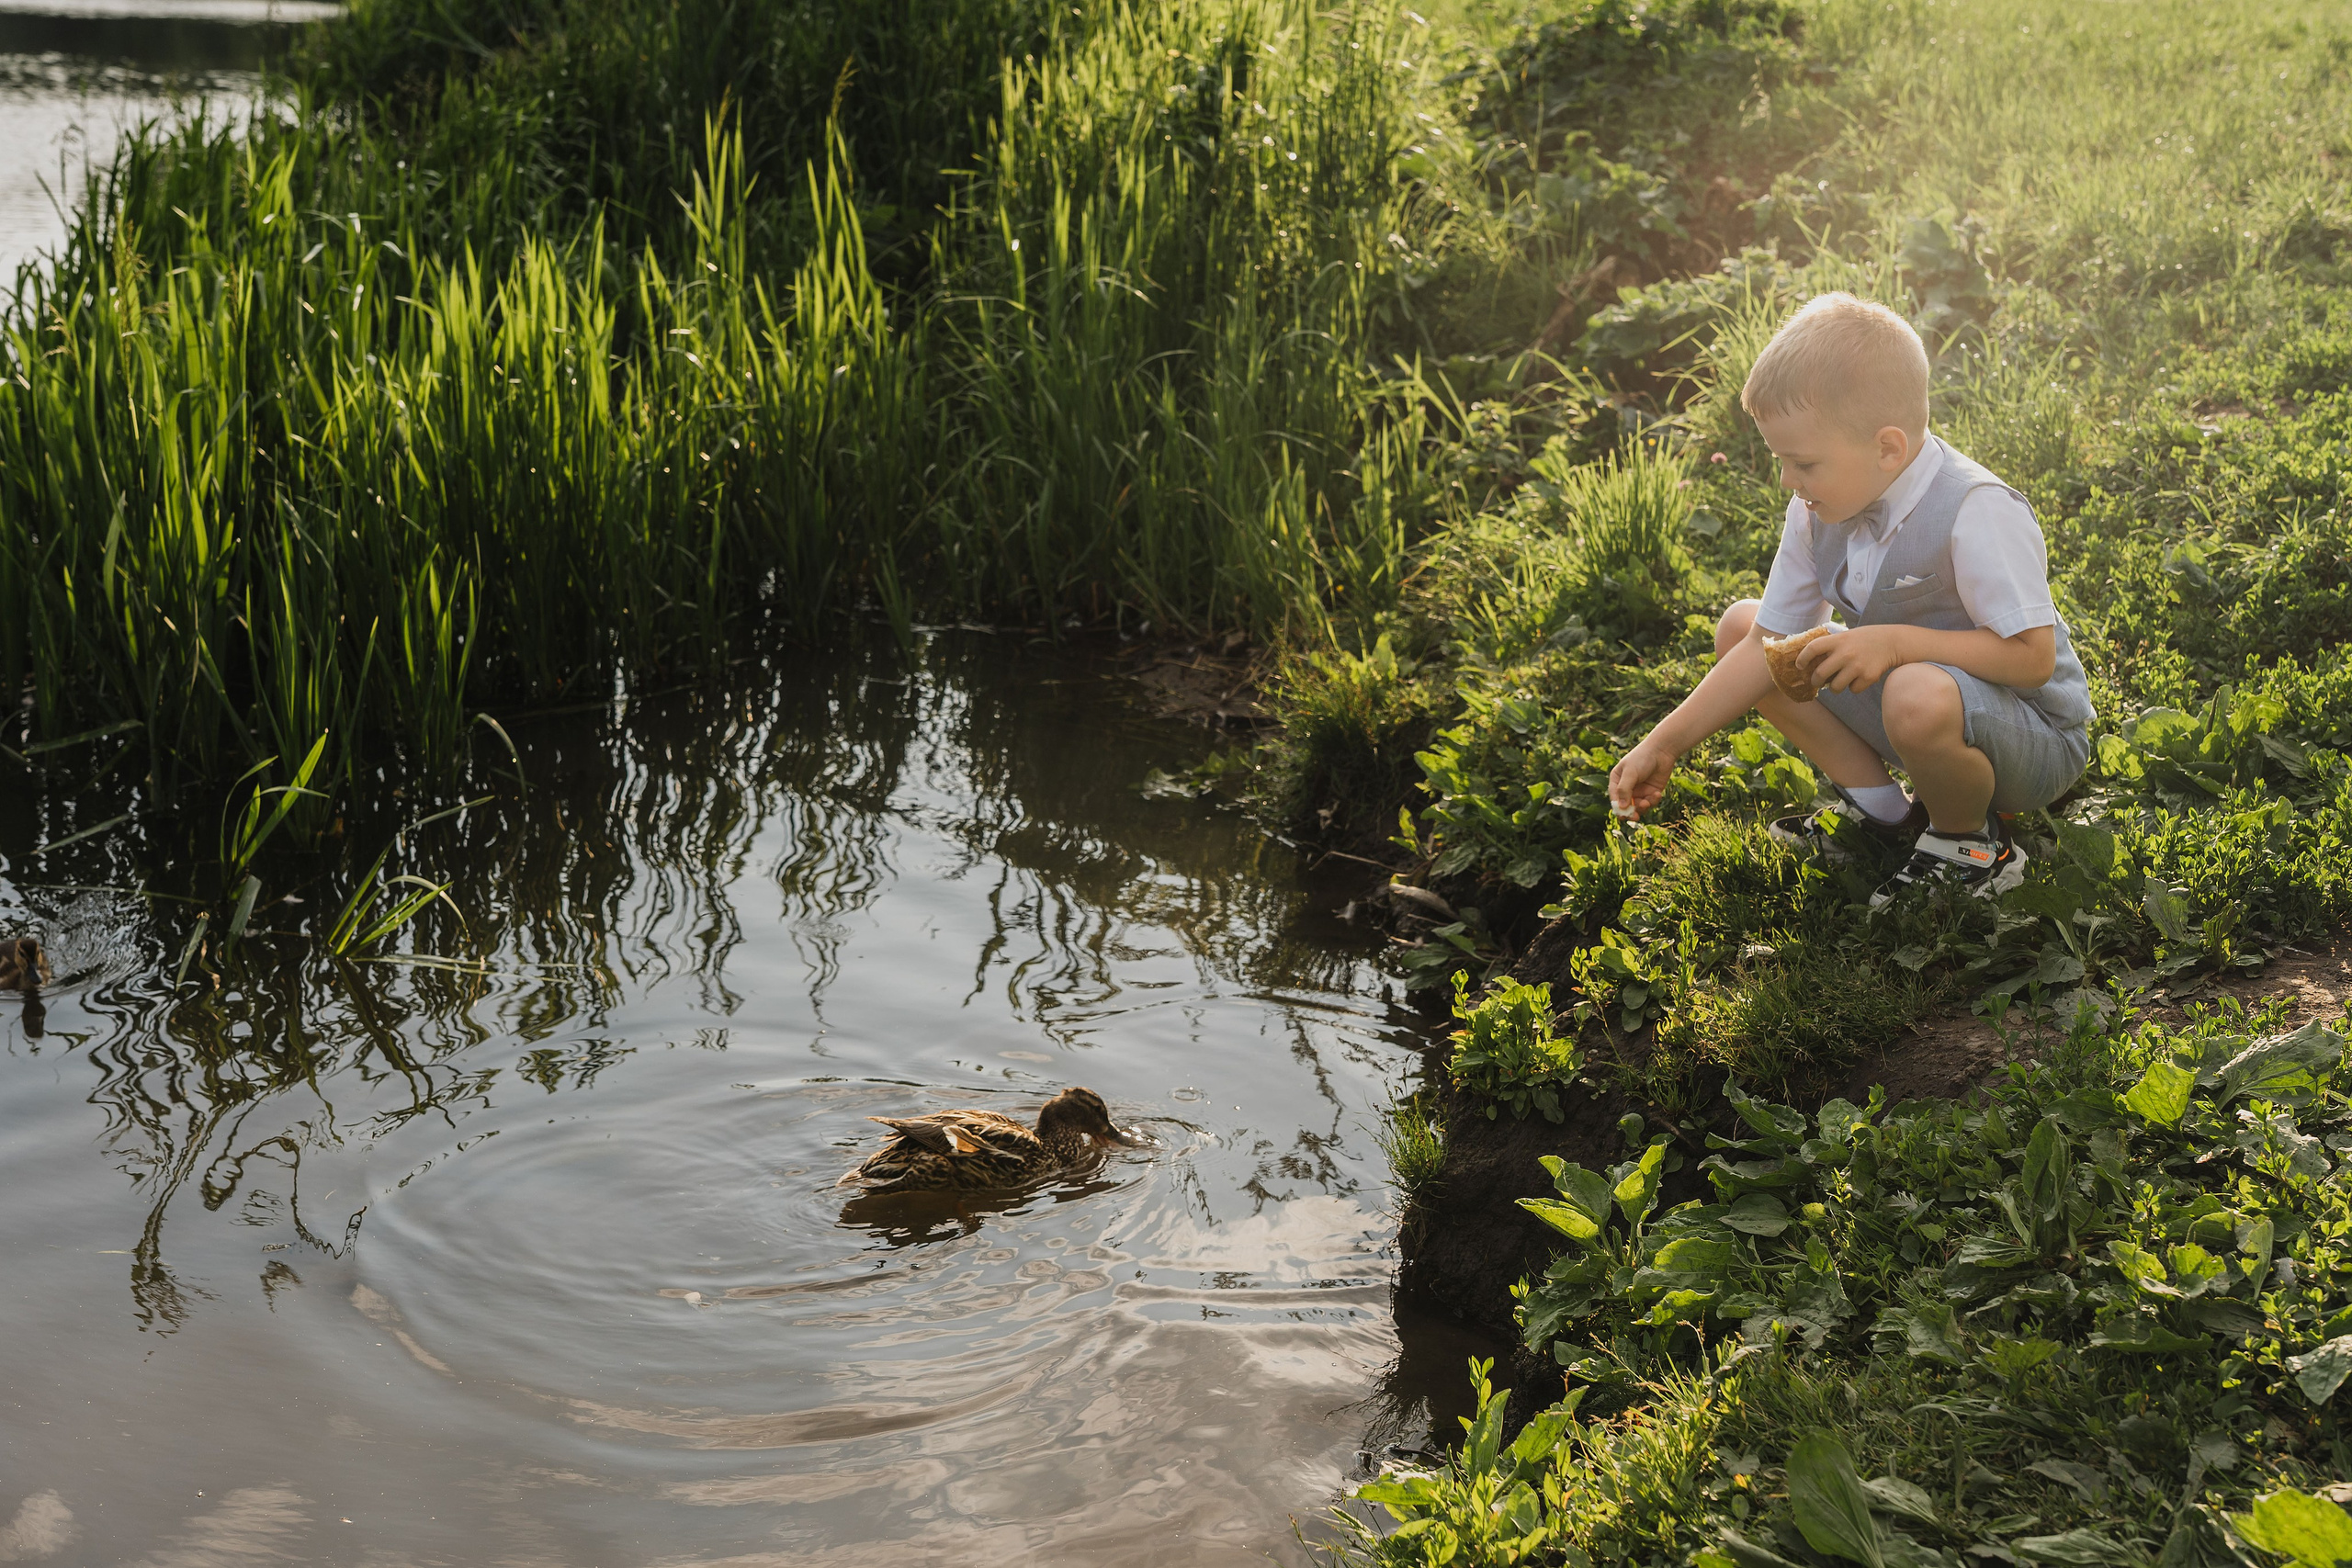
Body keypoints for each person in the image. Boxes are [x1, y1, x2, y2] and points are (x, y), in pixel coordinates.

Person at [1605, 291, 2093, 906]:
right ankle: (1887, 815)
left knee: (1916, 690)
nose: (1787, 480)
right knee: (1743, 629)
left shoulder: (1977, 510)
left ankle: (1970, 845)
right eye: (1781, 461)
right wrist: (1664, 743)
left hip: (2030, 737)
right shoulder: (1818, 508)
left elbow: (2032, 659)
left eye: (1802, 462)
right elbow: (1765, 646)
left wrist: (1893, 643)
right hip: (1918, 711)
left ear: (1887, 448)